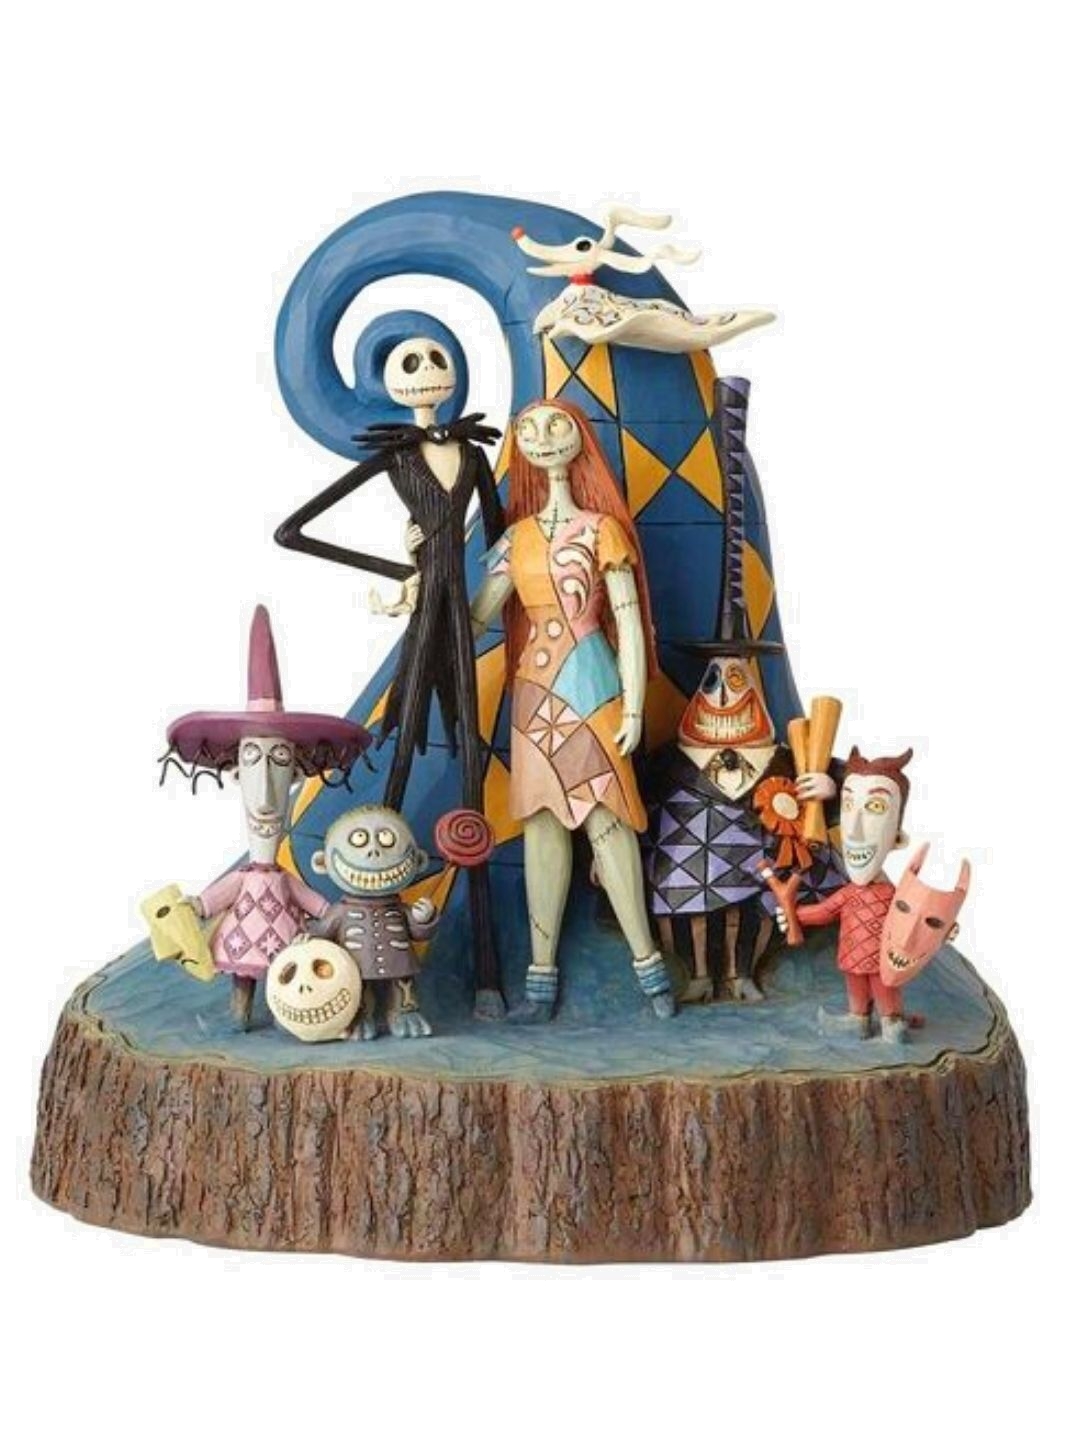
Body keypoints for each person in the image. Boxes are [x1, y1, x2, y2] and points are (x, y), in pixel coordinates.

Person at [470, 399, 674, 1022]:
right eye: (529, 429)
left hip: (592, 685)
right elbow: (477, 617)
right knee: (541, 823)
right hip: (534, 691)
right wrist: (423, 580)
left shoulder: (601, 529)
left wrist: (634, 706)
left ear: (580, 436)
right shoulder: (516, 538)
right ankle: (540, 977)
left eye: (555, 424)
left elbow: (630, 622)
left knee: (607, 818)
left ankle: (650, 969)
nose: (542, 437)